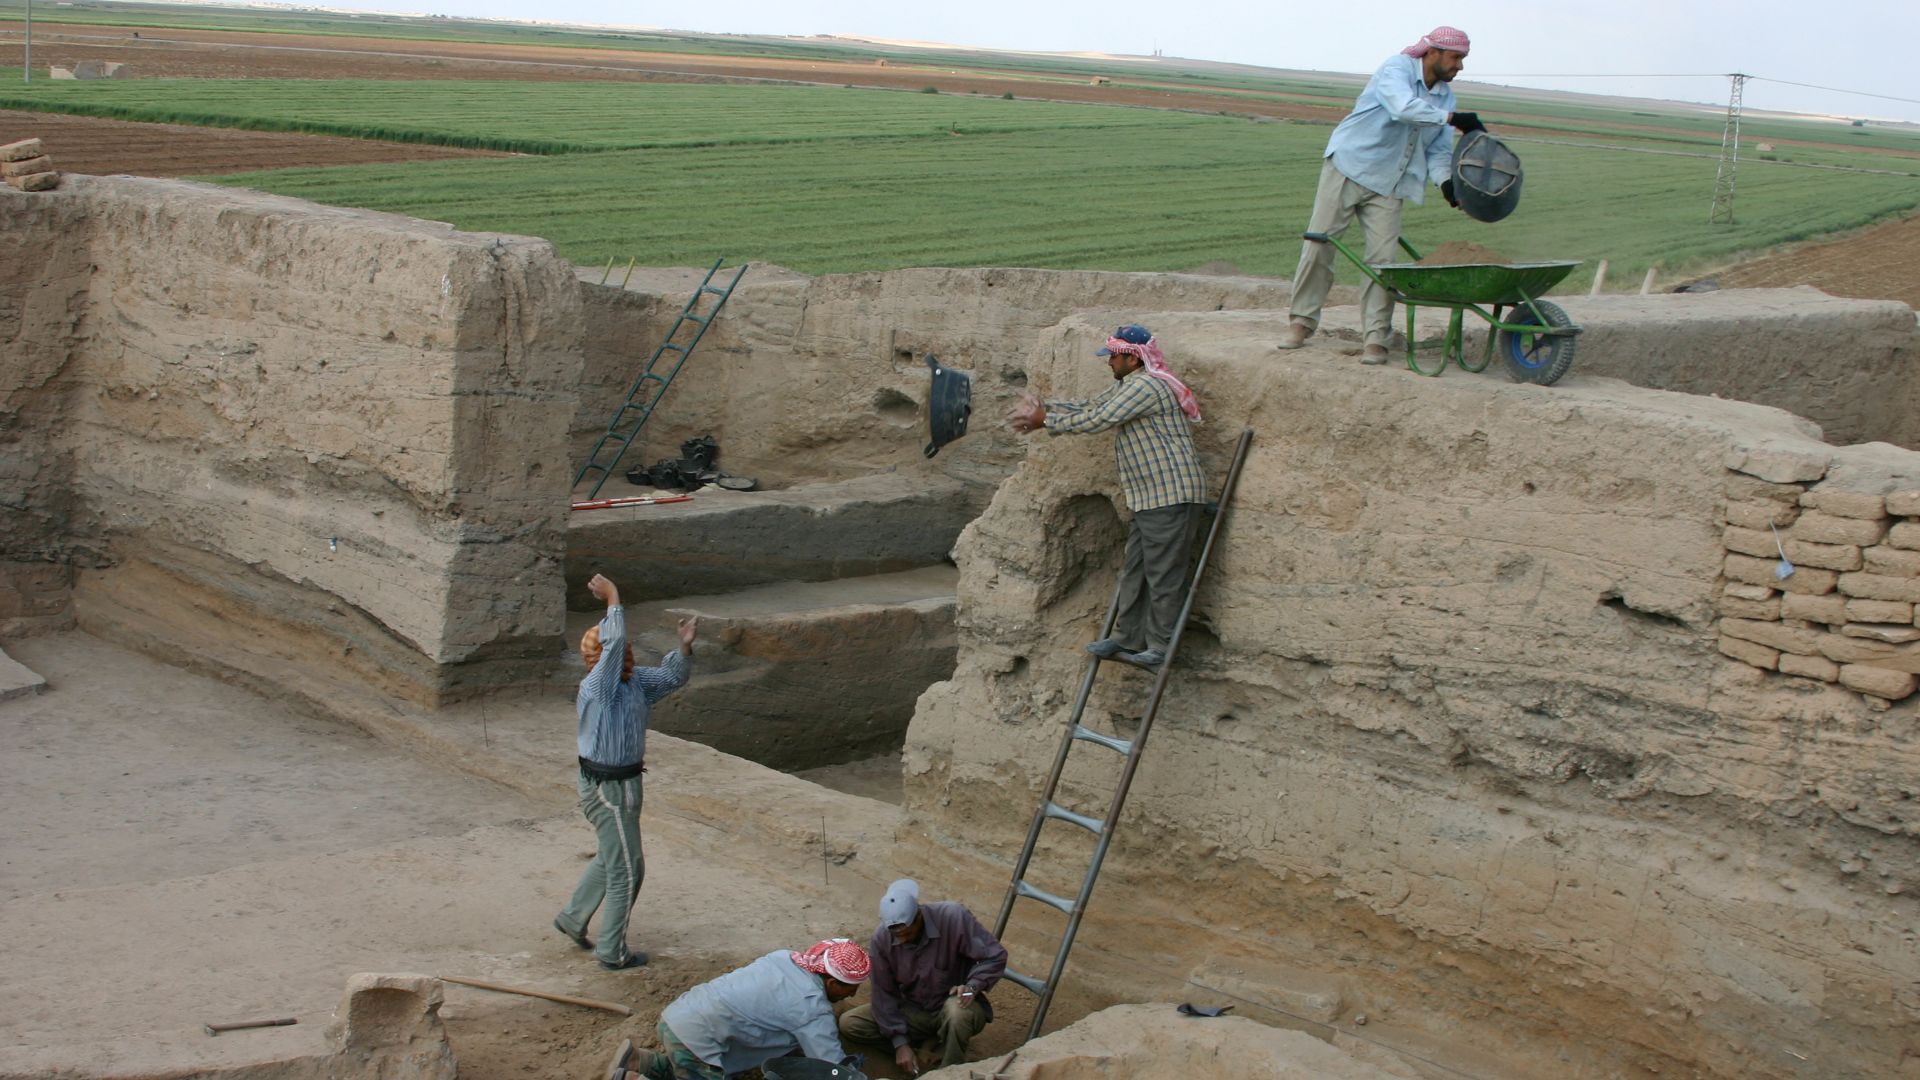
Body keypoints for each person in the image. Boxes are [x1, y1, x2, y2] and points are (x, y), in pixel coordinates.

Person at [1275, 26, 1482, 365]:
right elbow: (1402, 108)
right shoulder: (1396, 69)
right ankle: (1300, 322)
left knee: (1384, 263)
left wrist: (1447, 185)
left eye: (1462, 59)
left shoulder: (1446, 97)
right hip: (1349, 165)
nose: (1459, 66)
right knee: (1319, 247)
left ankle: (1375, 339)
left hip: (1391, 182)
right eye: (1456, 58)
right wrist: (1453, 119)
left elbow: (1439, 151)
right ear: (1432, 53)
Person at [1006, 323, 1206, 670]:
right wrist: (1046, 408)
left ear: (1132, 358)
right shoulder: (1132, 384)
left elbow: (1100, 418)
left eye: (1113, 356)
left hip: (1170, 495)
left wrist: (1044, 422)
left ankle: (1160, 647)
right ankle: (1129, 637)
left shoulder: (1145, 385)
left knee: (1162, 575)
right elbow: (1090, 405)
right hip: (1151, 497)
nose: (1109, 362)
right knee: (1135, 570)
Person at [553, 572, 697, 971]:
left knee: (612, 857)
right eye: (618, 651)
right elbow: (613, 644)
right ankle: (612, 951)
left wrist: (683, 649)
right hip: (608, 789)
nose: (626, 653)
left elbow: (671, 677)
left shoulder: (633, 684)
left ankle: (571, 918)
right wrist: (613, 597)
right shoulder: (599, 686)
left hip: (625, 785)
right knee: (628, 869)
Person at [604, 939, 871, 1080]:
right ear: (832, 982)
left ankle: (639, 1061)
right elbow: (832, 1068)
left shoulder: (785, 958)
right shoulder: (812, 1007)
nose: (852, 994)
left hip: (680, 1017)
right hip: (699, 1038)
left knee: (690, 1069)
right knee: (698, 1068)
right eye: (851, 988)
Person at [839, 879, 1009, 1074]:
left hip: (953, 1006)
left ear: (919, 915)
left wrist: (972, 986)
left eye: (906, 933)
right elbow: (883, 995)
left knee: (957, 1012)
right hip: (914, 1010)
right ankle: (921, 1055)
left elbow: (994, 956)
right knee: (850, 1023)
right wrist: (899, 1043)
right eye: (896, 936)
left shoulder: (952, 917)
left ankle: (949, 1070)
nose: (901, 940)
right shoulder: (881, 939)